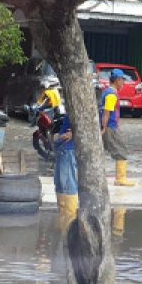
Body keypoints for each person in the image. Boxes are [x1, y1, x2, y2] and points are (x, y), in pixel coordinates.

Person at [48, 88, 79, 229]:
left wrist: (71, 134)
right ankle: (63, 217)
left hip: (68, 150)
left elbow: (80, 126)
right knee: (60, 183)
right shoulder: (71, 109)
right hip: (62, 149)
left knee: (68, 184)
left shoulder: (77, 109)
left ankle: (69, 218)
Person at [101, 68, 134, 187]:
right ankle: (120, 179)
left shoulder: (107, 91)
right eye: (122, 80)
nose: (123, 83)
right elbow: (106, 112)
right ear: (117, 80)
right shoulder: (111, 94)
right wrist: (104, 128)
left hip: (110, 126)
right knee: (121, 151)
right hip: (110, 127)